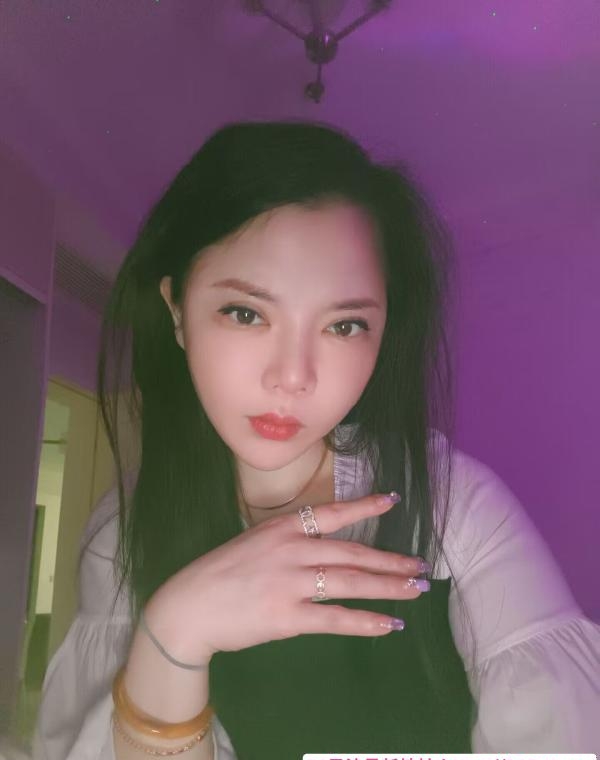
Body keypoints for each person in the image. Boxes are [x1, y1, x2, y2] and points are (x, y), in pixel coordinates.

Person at [31, 120, 599, 760]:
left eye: (345, 325)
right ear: (177, 312)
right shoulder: (121, 537)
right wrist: (172, 636)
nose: (293, 377)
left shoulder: (454, 510)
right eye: (246, 313)